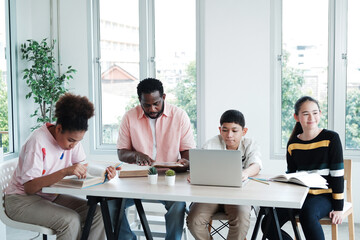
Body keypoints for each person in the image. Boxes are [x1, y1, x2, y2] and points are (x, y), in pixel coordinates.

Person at [5, 93, 118, 240]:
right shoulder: (37, 142)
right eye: (71, 140)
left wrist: (104, 172)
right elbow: (29, 188)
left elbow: (83, 166)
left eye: (78, 141)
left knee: (99, 214)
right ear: (58, 129)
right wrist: (64, 171)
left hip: (49, 196)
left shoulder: (72, 142)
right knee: (70, 221)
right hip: (21, 201)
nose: (74, 146)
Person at [109, 78, 196, 240]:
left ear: (163, 97)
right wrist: (136, 155)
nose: (152, 108)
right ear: (139, 100)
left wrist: (185, 161)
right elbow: (121, 153)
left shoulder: (180, 116)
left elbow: (187, 150)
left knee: (178, 206)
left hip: (170, 179)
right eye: (146, 105)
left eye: (156, 103)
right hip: (137, 179)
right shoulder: (129, 117)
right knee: (110, 204)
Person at [261, 96, 344, 240]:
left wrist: (338, 208)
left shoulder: (331, 138)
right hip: (299, 195)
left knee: (307, 213)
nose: (311, 117)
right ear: (296, 117)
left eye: (315, 112)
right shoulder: (293, 144)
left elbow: (337, 175)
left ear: (320, 114)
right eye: (305, 114)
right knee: (267, 222)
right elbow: (293, 175)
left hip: (324, 196)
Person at [187, 109, 262, 240]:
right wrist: (195, 173)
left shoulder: (250, 144)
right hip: (211, 195)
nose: (229, 135)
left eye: (234, 130)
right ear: (220, 129)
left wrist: (244, 173)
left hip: (239, 196)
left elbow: (256, 165)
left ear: (244, 131)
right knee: (194, 220)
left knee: (241, 218)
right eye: (225, 130)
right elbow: (201, 166)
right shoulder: (212, 143)